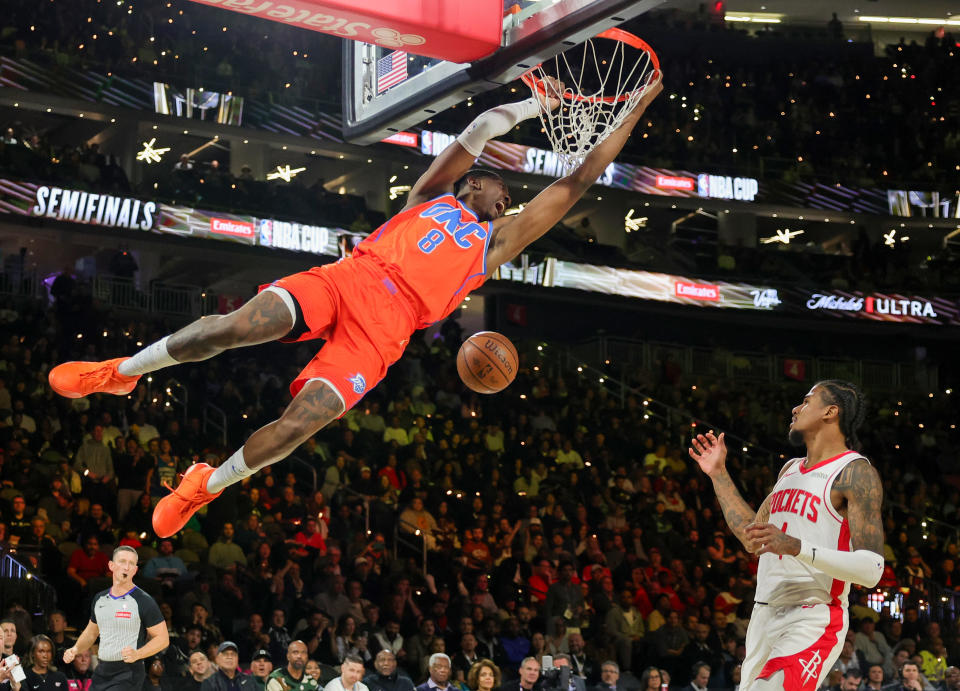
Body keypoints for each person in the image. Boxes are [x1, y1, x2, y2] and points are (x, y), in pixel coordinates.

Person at [47, 73, 665, 540]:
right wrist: (535, 102)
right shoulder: (428, 195)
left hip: (384, 335)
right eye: (500, 181)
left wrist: (634, 107)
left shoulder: (493, 244)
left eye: (509, 193)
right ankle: (118, 374)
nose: (508, 190)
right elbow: (476, 134)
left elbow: (578, 181)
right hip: (348, 279)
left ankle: (203, 486)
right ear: (474, 182)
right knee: (234, 327)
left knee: (298, 427)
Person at [690, 381, 883, 691]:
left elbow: (872, 569)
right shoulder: (789, 470)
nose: (795, 408)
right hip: (764, 613)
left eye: (806, 402)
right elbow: (752, 538)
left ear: (831, 412)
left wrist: (797, 546)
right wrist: (718, 474)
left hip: (813, 614)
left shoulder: (854, 472)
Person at [63, 545, 170, 690]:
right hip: (102, 670)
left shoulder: (143, 600)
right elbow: (91, 633)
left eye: (131, 563)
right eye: (122, 561)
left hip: (128, 672)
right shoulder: (99, 598)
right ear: (111, 566)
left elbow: (163, 638)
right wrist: (75, 649)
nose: (126, 567)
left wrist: (138, 653)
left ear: (135, 570)